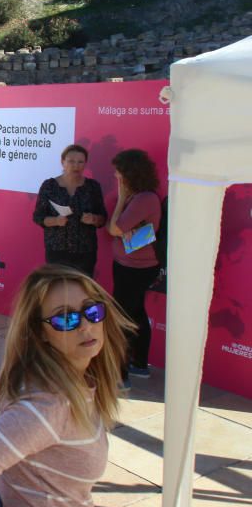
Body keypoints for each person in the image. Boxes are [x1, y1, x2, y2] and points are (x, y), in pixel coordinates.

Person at [0, 264, 134, 507]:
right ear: (40, 332)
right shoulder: (48, 407)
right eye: (65, 318)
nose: (85, 326)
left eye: (91, 310)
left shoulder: (74, 381)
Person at [107, 148, 162, 382]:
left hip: (134, 268)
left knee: (122, 316)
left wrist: (120, 199)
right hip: (131, 265)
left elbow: (114, 229)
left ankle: (120, 376)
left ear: (129, 174)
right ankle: (140, 364)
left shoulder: (143, 199)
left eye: (118, 173)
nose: (116, 177)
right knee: (136, 313)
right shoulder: (140, 197)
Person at [32, 144, 107, 277]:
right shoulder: (49, 186)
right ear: (62, 162)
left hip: (85, 251)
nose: (76, 165)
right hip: (57, 250)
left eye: (80, 162)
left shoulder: (93, 187)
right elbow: (38, 217)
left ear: (85, 164)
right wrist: (55, 220)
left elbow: (103, 218)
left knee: (82, 292)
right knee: (57, 289)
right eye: (71, 161)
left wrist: (93, 219)